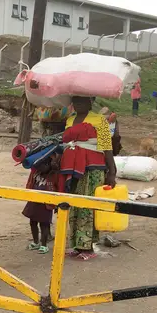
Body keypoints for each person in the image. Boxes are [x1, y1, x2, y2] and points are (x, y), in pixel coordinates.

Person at [59, 97, 117, 261]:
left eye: (82, 101)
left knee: (88, 206)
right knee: (74, 206)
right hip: (73, 167)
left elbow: (107, 145)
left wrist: (112, 171)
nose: (79, 104)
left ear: (90, 103)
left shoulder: (100, 120)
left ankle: (88, 245)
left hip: (93, 167)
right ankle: (76, 245)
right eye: (76, 101)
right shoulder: (70, 120)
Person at [23, 155, 60, 254]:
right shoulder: (35, 172)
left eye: (43, 165)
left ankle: (44, 245)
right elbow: (30, 183)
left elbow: (58, 187)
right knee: (33, 222)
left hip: (46, 204)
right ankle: (36, 242)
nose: (40, 167)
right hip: (34, 201)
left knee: (44, 224)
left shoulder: (54, 174)